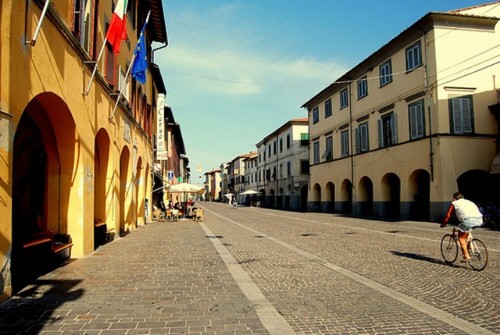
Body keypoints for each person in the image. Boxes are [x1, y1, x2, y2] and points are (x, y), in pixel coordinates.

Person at [441, 192, 483, 262]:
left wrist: (444, 223)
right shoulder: (469, 201)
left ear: (454, 198)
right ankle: (469, 246)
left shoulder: (454, 203)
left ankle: (466, 256)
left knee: (461, 237)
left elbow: (448, 215)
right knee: (466, 231)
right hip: (479, 219)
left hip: (468, 220)